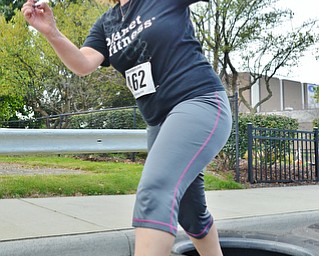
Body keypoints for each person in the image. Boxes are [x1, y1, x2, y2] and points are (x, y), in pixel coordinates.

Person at [22, 0, 232, 255]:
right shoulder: (106, 24)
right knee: (190, 215)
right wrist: (51, 33)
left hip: (199, 101)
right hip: (158, 122)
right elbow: (83, 63)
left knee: (155, 191)